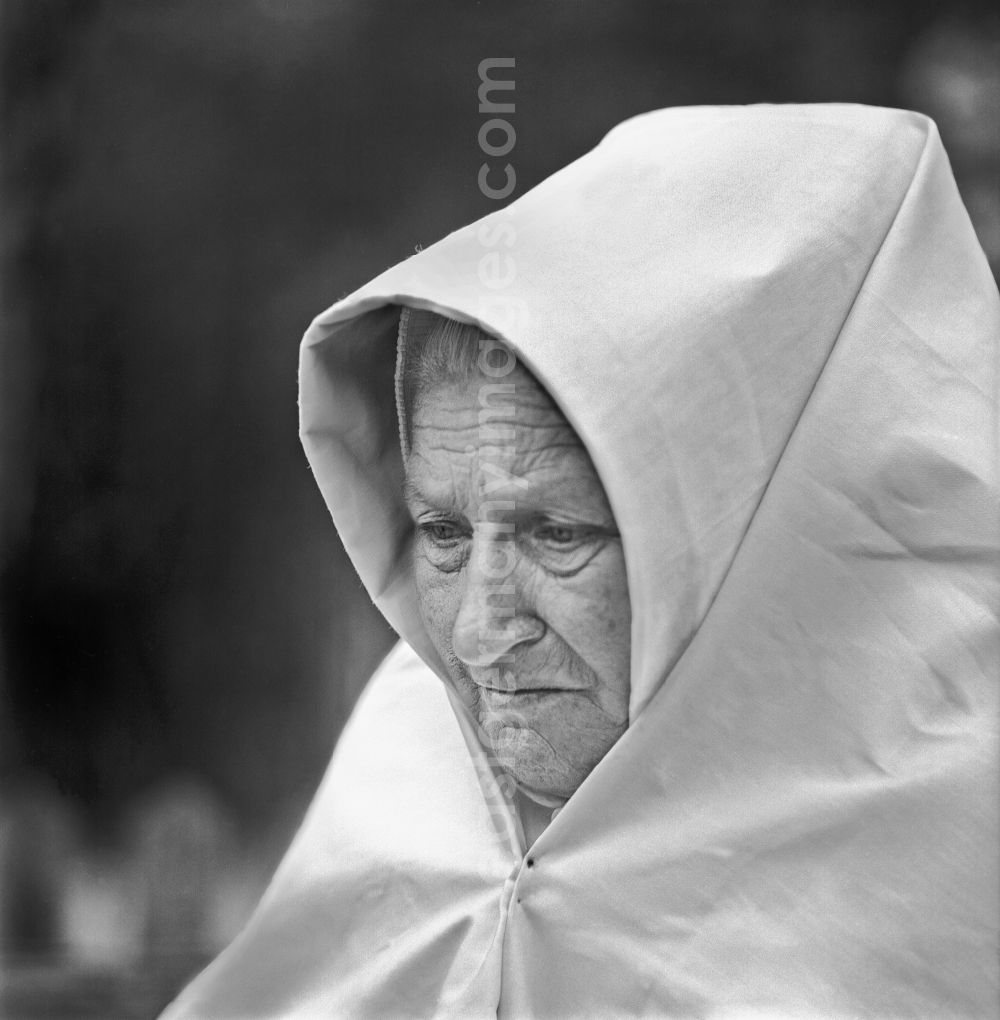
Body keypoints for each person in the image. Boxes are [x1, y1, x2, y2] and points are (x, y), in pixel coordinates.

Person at [163, 105, 999, 1018]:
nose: (479, 637)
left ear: (754, 545)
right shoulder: (415, 758)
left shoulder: (959, 845)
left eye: (557, 533)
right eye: (442, 532)